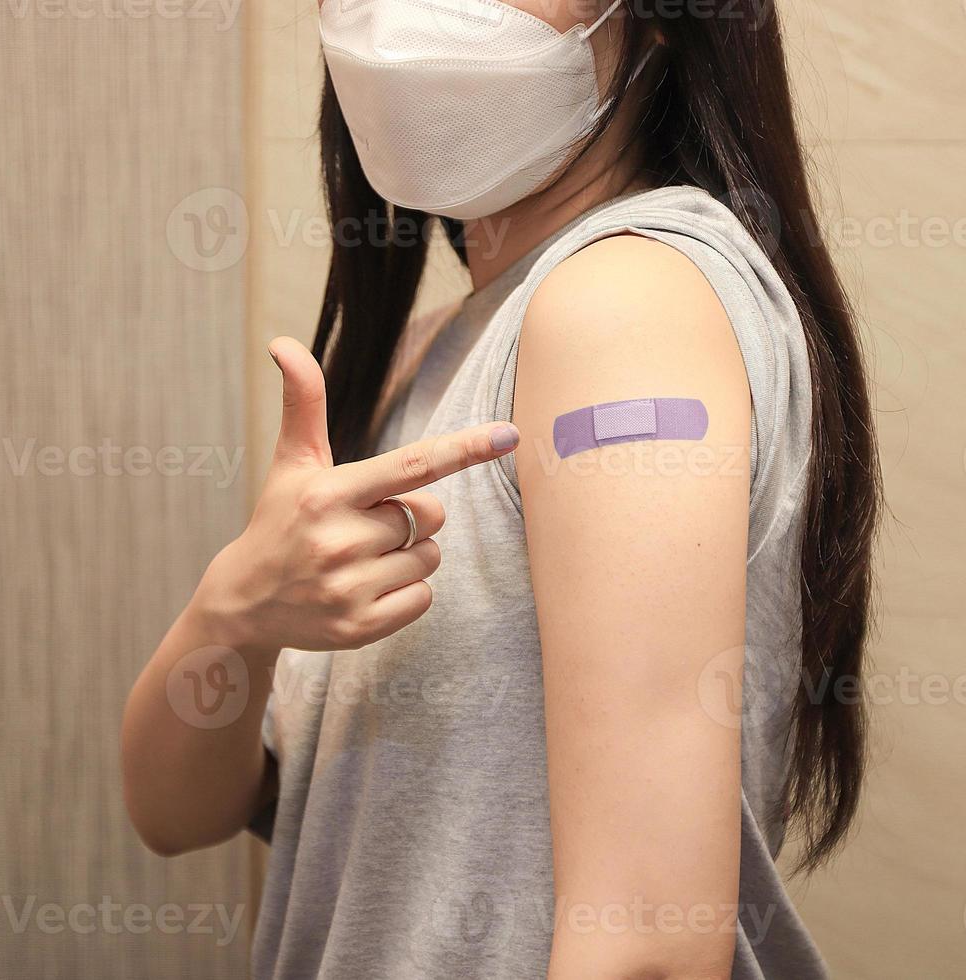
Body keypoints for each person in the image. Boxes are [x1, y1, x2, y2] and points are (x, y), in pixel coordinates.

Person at [122, 0, 881, 976]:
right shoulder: (423, 359)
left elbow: (644, 945)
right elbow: (174, 809)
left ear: (657, 21)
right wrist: (232, 617)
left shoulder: (621, 307)